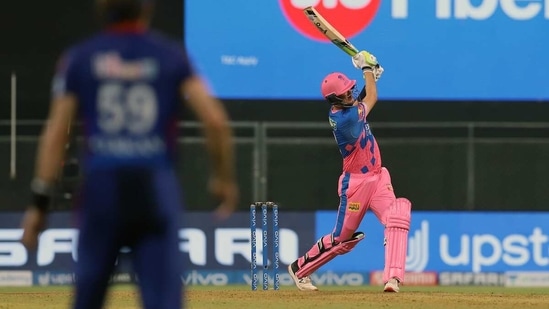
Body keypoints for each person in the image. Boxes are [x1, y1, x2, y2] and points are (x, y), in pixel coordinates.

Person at [20, 0, 239, 308]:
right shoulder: (172, 55)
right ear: (147, 9)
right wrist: (223, 178)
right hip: (155, 189)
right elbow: (215, 121)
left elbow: (57, 132)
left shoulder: (79, 58)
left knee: (87, 297)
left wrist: (40, 203)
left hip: (101, 190)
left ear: (100, 8)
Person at [287, 51, 412, 292]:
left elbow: (362, 98)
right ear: (335, 99)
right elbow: (371, 97)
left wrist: (372, 75)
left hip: (378, 177)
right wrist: (368, 71)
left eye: (350, 88)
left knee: (397, 217)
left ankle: (392, 279)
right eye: (345, 91)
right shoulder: (344, 120)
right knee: (341, 238)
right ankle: (299, 268)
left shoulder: (348, 108)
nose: (350, 92)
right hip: (355, 184)